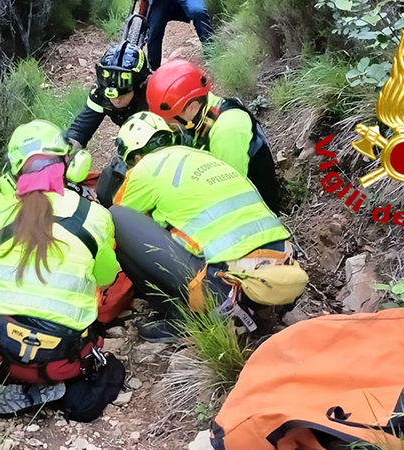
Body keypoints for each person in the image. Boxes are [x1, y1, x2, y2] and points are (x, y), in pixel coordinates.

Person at [110, 112, 307, 342]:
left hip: (227, 287)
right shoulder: (203, 156)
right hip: (282, 266)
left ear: (135, 157)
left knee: (115, 219)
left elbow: (125, 218)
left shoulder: (145, 168)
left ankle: (184, 317)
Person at [0, 119, 120, 390]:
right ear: (70, 163)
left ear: (12, 172)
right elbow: (107, 278)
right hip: (62, 361)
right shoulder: (95, 215)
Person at [147, 59, 282, 213]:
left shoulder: (227, 130)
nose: (169, 127)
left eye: (170, 122)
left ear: (193, 107)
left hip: (252, 211)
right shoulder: (205, 114)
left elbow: (229, 193)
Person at [65, 42, 150, 208]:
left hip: (157, 140)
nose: (115, 99)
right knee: (109, 187)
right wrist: (63, 157)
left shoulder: (153, 93)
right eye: (111, 94)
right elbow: (80, 130)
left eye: (123, 93)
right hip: (132, 137)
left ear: (139, 85)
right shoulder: (100, 93)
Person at [146, 0, 214, 70]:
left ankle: (212, 56)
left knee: (198, 12)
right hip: (159, 3)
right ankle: (154, 69)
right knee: (155, 27)